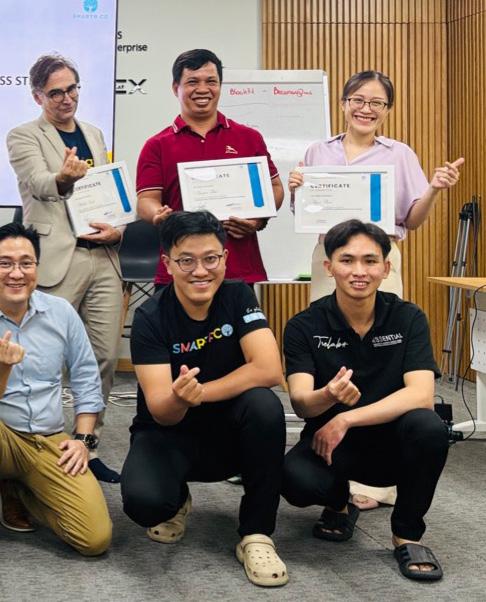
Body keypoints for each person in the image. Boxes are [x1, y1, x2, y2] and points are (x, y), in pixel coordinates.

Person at [288, 69, 462, 509]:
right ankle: (330, 450)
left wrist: (434, 190)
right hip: (330, 256)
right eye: (358, 100)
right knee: (329, 350)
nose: (366, 109)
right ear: (344, 103)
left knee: (384, 356)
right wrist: (295, 192)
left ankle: (378, 481)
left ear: (387, 109)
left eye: (376, 103)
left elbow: (413, 219)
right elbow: (306, 212)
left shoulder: (399, 154)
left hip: (379, 257)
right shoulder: (318, 150)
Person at [121, 211, 288, 587]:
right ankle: (176, 498)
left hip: (230, 431)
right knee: (145, 504)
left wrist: (199, 393)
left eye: (210, 258)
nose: (200, 271)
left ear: (225, 259)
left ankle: (257, 534)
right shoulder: (150, 317)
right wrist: (179, 399)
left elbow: (268, 370)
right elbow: (161, 410)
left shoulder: (238, 295)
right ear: (167, 264)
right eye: (186, 260)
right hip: (169, 433)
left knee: (265, 406)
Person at [282, 219, 449, 582]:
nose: (359, 271)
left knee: (430, 427)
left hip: (392, 444)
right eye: (347, 260)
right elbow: (301, 403)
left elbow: (421, 395)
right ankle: (338, 503)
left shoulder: (407, 317)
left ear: (386, 268)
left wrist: (347, 417)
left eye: (370, 261)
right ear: (329, 267)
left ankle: (407, 534)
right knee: (294, 480)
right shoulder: (303, 326)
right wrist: (328, 396)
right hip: (331, 446)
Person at [7, 54, 123, 484]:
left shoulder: (93, 132)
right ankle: (36, 445)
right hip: (58, 258)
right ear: (38, 95)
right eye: (55, 92)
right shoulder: (22, 135)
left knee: (104, 356)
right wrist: (64, 178)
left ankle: (88, 444)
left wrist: (118, 228)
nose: (66, 98)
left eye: (72, 88)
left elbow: (106, 194)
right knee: (44, 358)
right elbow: (39, 183)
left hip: (102, 256)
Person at [0, 223, 111, 555]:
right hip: (3, 436)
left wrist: (83, 440)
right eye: (5, 263)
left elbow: (86, 377)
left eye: (26, 263)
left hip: (47, 439)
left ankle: (20, 492)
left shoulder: (60, 312)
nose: (16, 273)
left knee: (94, 539)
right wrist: (3, 368)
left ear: (37, 267)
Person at [136, 48, 284, 288]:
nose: (203, 89)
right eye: (192, 82)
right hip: (181, 271)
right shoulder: (157, 145)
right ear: (176, 88)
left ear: (220, 86)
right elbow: (146, 200)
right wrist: (158, 215)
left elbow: (275, 187)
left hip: (238, 268)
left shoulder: (248, 138)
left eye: (211, 81)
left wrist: (257, 219)